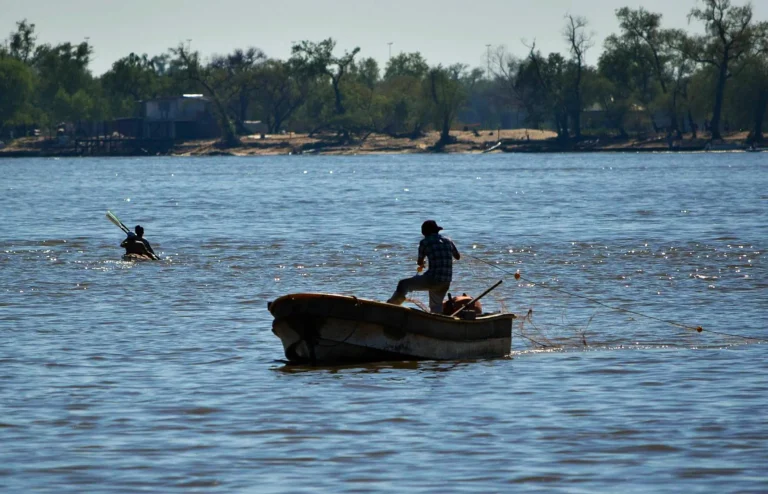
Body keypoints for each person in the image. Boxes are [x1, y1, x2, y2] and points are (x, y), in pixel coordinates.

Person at [387, 220, 461, 313]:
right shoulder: (448, 240)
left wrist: (422, 263)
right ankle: (436, 321)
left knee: (403, 284)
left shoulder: (425, 242)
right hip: (446, 281)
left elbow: (420, 262)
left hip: (433, 278)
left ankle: (391, 307)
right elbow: (457, 257)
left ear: (424, 233)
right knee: (436, 305)